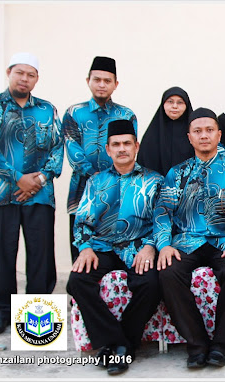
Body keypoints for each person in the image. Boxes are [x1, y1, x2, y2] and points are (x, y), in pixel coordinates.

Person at [154, 108, 225, 369]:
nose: (204, 136)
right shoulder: (176, 174)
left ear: (219, 135)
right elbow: (162, 212)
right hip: (187, 242)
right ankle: (197, 343)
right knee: (168, 272)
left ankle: (222, 344)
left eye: (209, 130)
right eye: (198, 131)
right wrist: (164, 245)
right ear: (189, 137)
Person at [0, 52, 63, 335]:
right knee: (1, 254)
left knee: (41, 256)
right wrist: (17, 179)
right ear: (9, 72)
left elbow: (57, 147)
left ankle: (38, 313)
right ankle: (1, 312)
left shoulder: (47, 109)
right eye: (20, 73)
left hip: (40, 194)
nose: (25, 78)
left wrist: (41, 178)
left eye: (31, 74)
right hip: (1, 194)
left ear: (37, 78)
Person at [66, 119, 162, 376]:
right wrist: (85, 248)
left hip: (137, 248)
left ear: (136, 146)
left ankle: (117, 345)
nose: (122, 149)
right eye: (116, 144)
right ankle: (118, 344)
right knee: (77, 281)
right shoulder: (95, 182)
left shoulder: (154, 181)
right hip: (102, 247)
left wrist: (151, 247)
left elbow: (162, 221)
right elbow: (83, 219)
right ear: (108, 149)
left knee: (151, 284)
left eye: (127, 143)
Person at [63, 56, 137, 263]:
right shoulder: (74, 113)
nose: (102, 85)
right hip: (81, 189)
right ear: (88, 81)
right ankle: (81, 293)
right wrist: (96, 179)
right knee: (81, 249)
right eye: (97, 80)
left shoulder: (126, 114)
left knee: (116, 248)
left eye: (107, 80)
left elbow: (129, 151)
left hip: (119, 191)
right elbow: (72, 149)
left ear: (116, 84)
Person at [137, 86, 193, 176]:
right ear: (163, 104)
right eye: (170, 101)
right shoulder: (151, 136)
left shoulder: (194, 134)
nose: (175, 106)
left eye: (180, 102)